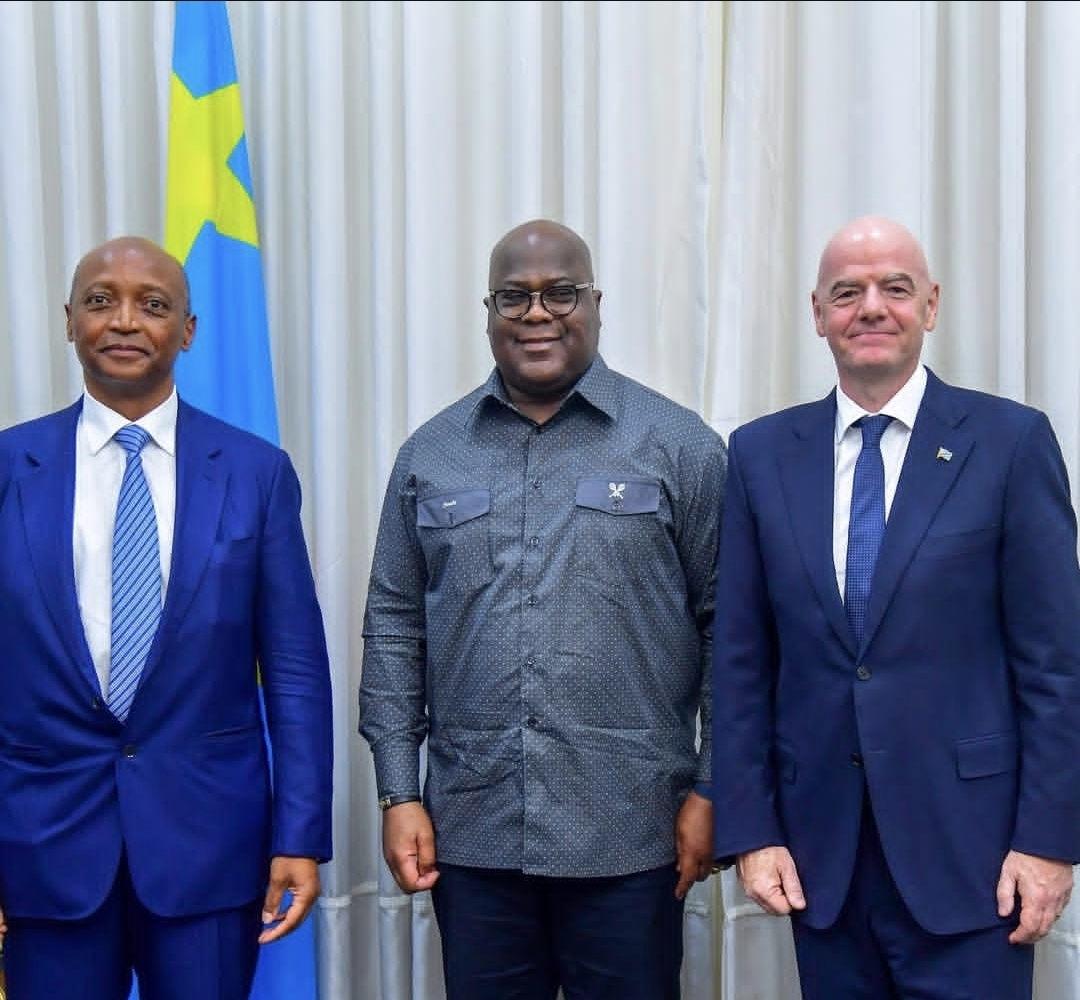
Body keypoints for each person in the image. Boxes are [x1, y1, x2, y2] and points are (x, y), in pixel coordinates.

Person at [710, 214, 1080, 999]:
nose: (870, 307)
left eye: (895, 288)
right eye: (847, 292)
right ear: (817, 313)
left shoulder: (1010, 444)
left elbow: (1057, 667)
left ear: (932, 305)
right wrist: (753, 831)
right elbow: (741, 665)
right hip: (822, 866)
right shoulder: (761, 456)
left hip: (976, 866)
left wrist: (1050, 842)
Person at [358, 218, 727, 999]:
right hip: (474, 831)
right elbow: (394, 627)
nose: (537, 313)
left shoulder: (679, 446)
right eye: (513, 297)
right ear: (486, 311)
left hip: (632, 835)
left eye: (560, 293)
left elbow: (733, 632)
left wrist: (713, 788)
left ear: (595, 303)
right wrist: (400, 791)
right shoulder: (430, 455)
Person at [0, 236, 334, 1000]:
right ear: (67, 322)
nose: (124, 321)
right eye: (99, 301)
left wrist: (300, 835)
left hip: (208, 845)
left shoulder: (255, 472)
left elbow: (293, 670)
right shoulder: (9, 468)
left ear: (187, 330)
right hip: (40, 845)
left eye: (152, 305)